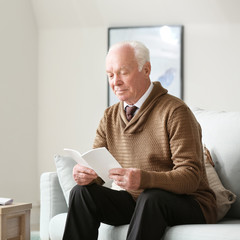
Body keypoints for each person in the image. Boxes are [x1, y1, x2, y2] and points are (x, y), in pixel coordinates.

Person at [62, 41, 217, 240]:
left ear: (146, 70)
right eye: (110, 75)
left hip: (191, 203)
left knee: (151, 197)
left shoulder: (175, 111)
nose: (115, 82)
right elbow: (99, 172)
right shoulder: (109, 117)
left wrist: (143, 179)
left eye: (123, 72)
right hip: (139, 201)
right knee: (81, 193)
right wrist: (86, 174)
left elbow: (190, 177)